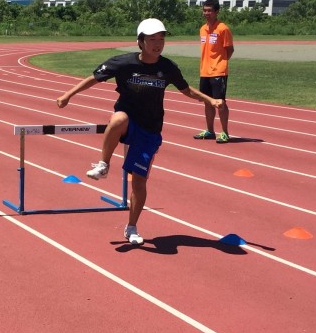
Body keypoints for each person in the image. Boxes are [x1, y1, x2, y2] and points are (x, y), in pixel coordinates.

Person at [55, 19, 221, 245]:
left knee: (139, 182)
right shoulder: (122, 63)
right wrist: (68, 95)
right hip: (128, 120)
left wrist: (209, 99)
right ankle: (103, 164)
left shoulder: (168, 67)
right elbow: (92, 79)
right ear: (140, 42)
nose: (158, 44)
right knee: (119, 117)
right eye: (152, 39)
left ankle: (131, 226)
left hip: (150, 128)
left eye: (161, 39)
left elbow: (186, 90)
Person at [193, 0, 234, 143]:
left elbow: (229, 50)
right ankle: (210, 131)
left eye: (210, 10)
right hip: (204, 71)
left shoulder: (223, 28)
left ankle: (225, 132)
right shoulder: (202, 29)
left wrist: (220, 63)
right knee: (207, 102)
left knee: (220, 103)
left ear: (216, 12)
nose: (206, 13)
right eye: (204, 10)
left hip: (218, 71)